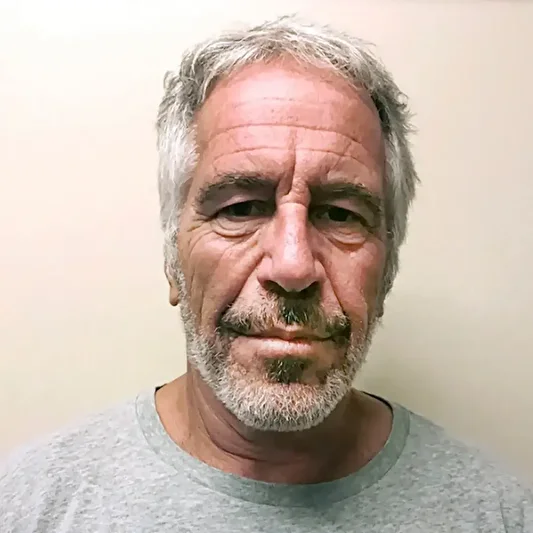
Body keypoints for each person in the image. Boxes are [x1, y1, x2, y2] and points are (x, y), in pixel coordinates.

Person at [1, 15, 532, 532]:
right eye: (241, 209)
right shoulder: (27, 508)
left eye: (340, 214)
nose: (293, 266)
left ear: (387, 268)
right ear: (172, 258)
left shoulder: (503, 516)